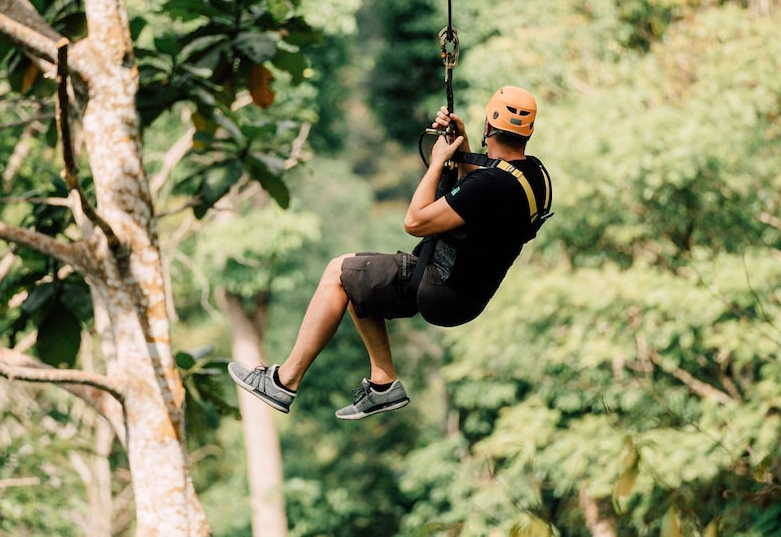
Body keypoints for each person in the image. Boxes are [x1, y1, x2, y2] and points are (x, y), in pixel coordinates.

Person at [228, 86, 552, 420]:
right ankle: (383, 384)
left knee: (339, 272)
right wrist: (463, 145)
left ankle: (284, 381)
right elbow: (478, 196)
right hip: (468, 293)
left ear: (489, 127)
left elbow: (414, 221)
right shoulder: (534, 177)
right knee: (361, 278)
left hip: (439, 284)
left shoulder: (490, 186)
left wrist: (438, 161)